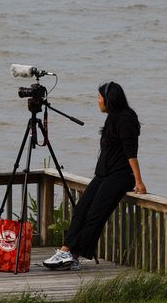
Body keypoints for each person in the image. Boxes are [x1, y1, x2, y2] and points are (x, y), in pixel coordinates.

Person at [43, 81, 147, 271]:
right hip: (103, 174)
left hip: (120, 176)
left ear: (109, 99)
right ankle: (67, 252)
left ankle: (71, 255)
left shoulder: (126, 119)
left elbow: (131, 153)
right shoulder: (112, 117)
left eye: (100, 97)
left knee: (95, 215)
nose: (98, 101)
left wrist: (139, 181)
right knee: (81, 209)